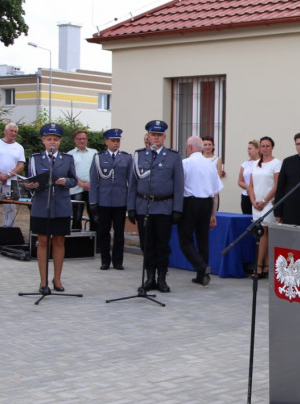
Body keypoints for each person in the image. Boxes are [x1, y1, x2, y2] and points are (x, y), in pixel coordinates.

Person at [127, 120, 184, 293]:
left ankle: (161, 278)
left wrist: (177, 209)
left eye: (159, 135)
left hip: (164, 207)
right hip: (144, 207)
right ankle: (149, 277)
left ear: (164, 137)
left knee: (162, 245)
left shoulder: (173, 156)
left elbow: (179, 185)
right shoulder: (139, 156)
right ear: (148, 137)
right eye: (153, 135)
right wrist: (131, 207)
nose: (156, 138)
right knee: (146, 245)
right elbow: (133, 184)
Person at [23, 123, 77, 294]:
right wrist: (30, 185)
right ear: (43, 141)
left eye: (55, 139)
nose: (52, 142)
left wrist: (66, 182)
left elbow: (74, 180)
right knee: (43, 241)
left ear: (60, 141)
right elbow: (29, 181)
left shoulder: (67, 159)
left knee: (59, 241)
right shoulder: (36, 158)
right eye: (48, 139)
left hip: (61, 204)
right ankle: (43, 280)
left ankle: (58, 278)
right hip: (42, 204)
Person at [180, 135, 224, 286]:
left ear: (190, 148)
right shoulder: (210, 165)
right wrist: (214, 214)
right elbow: (215, 193)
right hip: (207, 203)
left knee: (185, 240)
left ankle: (201, 267)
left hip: (190, 203)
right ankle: (202, 275)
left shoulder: (185, 163)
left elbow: (179, 188)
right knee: (202, 239)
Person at [88, 128, 132, 270]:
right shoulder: (98, 157)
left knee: (119, 232)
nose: (116, 143)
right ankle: (105, 260)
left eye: (118, 141)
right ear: (106, 141)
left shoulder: (126, 157)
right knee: (103, 232)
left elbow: (131, 182)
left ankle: (118, 261)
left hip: (120, 201)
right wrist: (93, 201)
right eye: (113, 140)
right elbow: (94, 181)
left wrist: (130, 203)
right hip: (104, 201)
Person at [247, 136, 281, 277]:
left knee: (264, 233)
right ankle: (266, 266)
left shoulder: (277, 163)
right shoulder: (255, 163)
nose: (265, 149)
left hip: (268, 204)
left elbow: (276, 185)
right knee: (260, 234)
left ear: (272, 147)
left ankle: (259, 267)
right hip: (256, 204)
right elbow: (250, 185)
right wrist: (253, 200)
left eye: (268, 146)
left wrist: (265, 201)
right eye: (263, 146)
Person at [67, 129, 97, 232]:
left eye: (84, 138)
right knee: (77, 216)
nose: (82, 141)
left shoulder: (94, 153)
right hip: (76, 188)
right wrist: (82, 184)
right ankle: (76, 242)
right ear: (75, 140)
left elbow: (97, 170)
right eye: (79, 139)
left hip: (91, 188)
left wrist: (90, 184)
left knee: (94, 215)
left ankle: (94, 242)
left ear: (87, 140)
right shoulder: (70, 155)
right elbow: (70, 172)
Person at [237, 140, 260, 215]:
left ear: (257, 149)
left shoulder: (262, 163)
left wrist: (252, 189)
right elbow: (240, 181)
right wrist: (248, 188)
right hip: (246, 195)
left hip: (258, 196)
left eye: (250, 149)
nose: (248, 151)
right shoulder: (245, 164)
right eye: (248, 149)